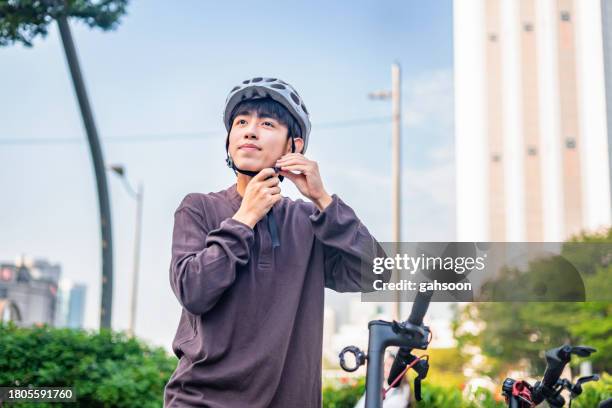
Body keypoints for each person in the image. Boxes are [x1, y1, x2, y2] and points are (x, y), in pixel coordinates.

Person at [163, 77, 391, 407]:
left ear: (293, 147)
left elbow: (377, 273)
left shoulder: (308, 222)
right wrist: (244, 219)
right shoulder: (198, 207)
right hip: (201, 401)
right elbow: (193, 291)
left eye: (266, 123)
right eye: (241, 122)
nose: (250, 131)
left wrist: (323, 200)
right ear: (229, 140)